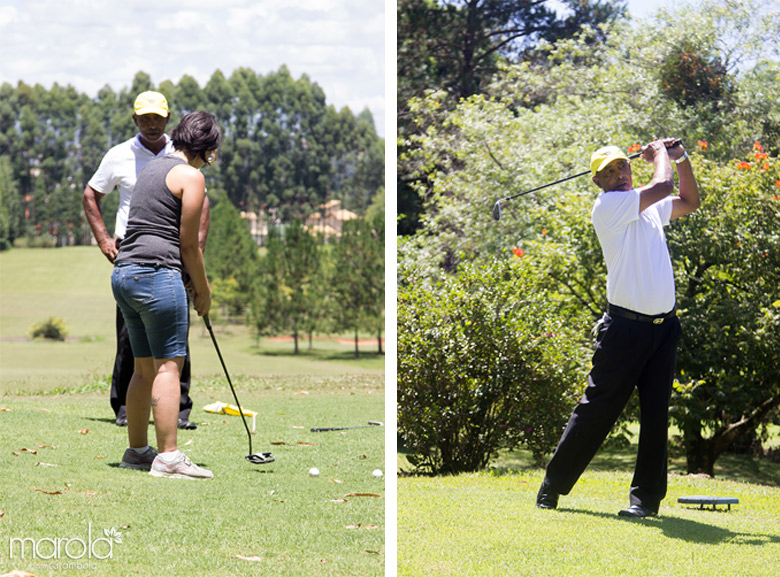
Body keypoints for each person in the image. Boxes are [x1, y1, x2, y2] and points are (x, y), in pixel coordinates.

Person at [536, 137, 700, 517]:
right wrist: (660, 155)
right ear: (598, 182)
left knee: (657, 415)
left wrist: (682, 158)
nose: (618, 174)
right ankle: (553, 485)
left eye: (621, 166)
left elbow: (689, 201)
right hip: (625, 330)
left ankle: (645, 501)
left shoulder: (647, 207)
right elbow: (662, 186)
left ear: (629, 168)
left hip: (663, 330)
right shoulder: (608, 207)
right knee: (597, 409)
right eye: (607, 172)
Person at [82, 91, 207, 429]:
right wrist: (104, 239)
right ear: (134, 119)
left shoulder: (179, 153)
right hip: (131, 251)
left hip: (174, 253)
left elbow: (201, 205)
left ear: (168, 119)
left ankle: (179, 409)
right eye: (145, 117)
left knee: (175, 337)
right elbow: (91, 193)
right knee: (130, 337)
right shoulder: (119, 155)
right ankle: (125, 407)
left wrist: (196, 251)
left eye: (158, 117)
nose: (152, 124)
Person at [112, 110, 220, 479]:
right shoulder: (192, 176)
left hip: (124, 274)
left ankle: (137, 451)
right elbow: (189, 245)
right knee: (169, 367)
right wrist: (203, 293)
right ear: (206, 150)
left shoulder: (153, 167)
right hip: (157, 275)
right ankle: (169, 456)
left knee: (142, 368)